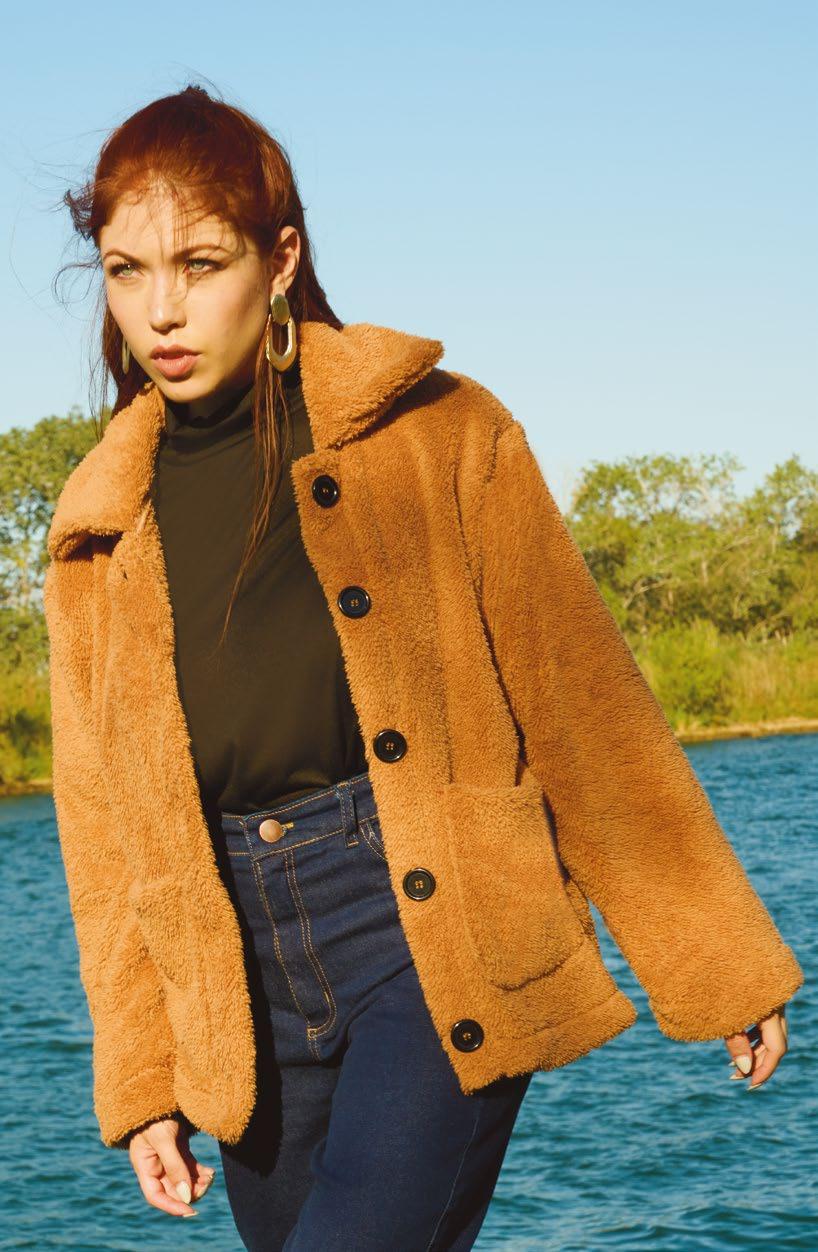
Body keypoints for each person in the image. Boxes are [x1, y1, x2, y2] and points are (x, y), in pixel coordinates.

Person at [44, 84, 803, 1251]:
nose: (162, 308)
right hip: (236, 983)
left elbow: (579, 701)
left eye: (199, 264)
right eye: (125, 270)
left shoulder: (433, 432)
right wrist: (143, 1076)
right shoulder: (100, 522)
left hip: (426, 922)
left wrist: (712, 954)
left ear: (278, 259)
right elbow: (103, 832)